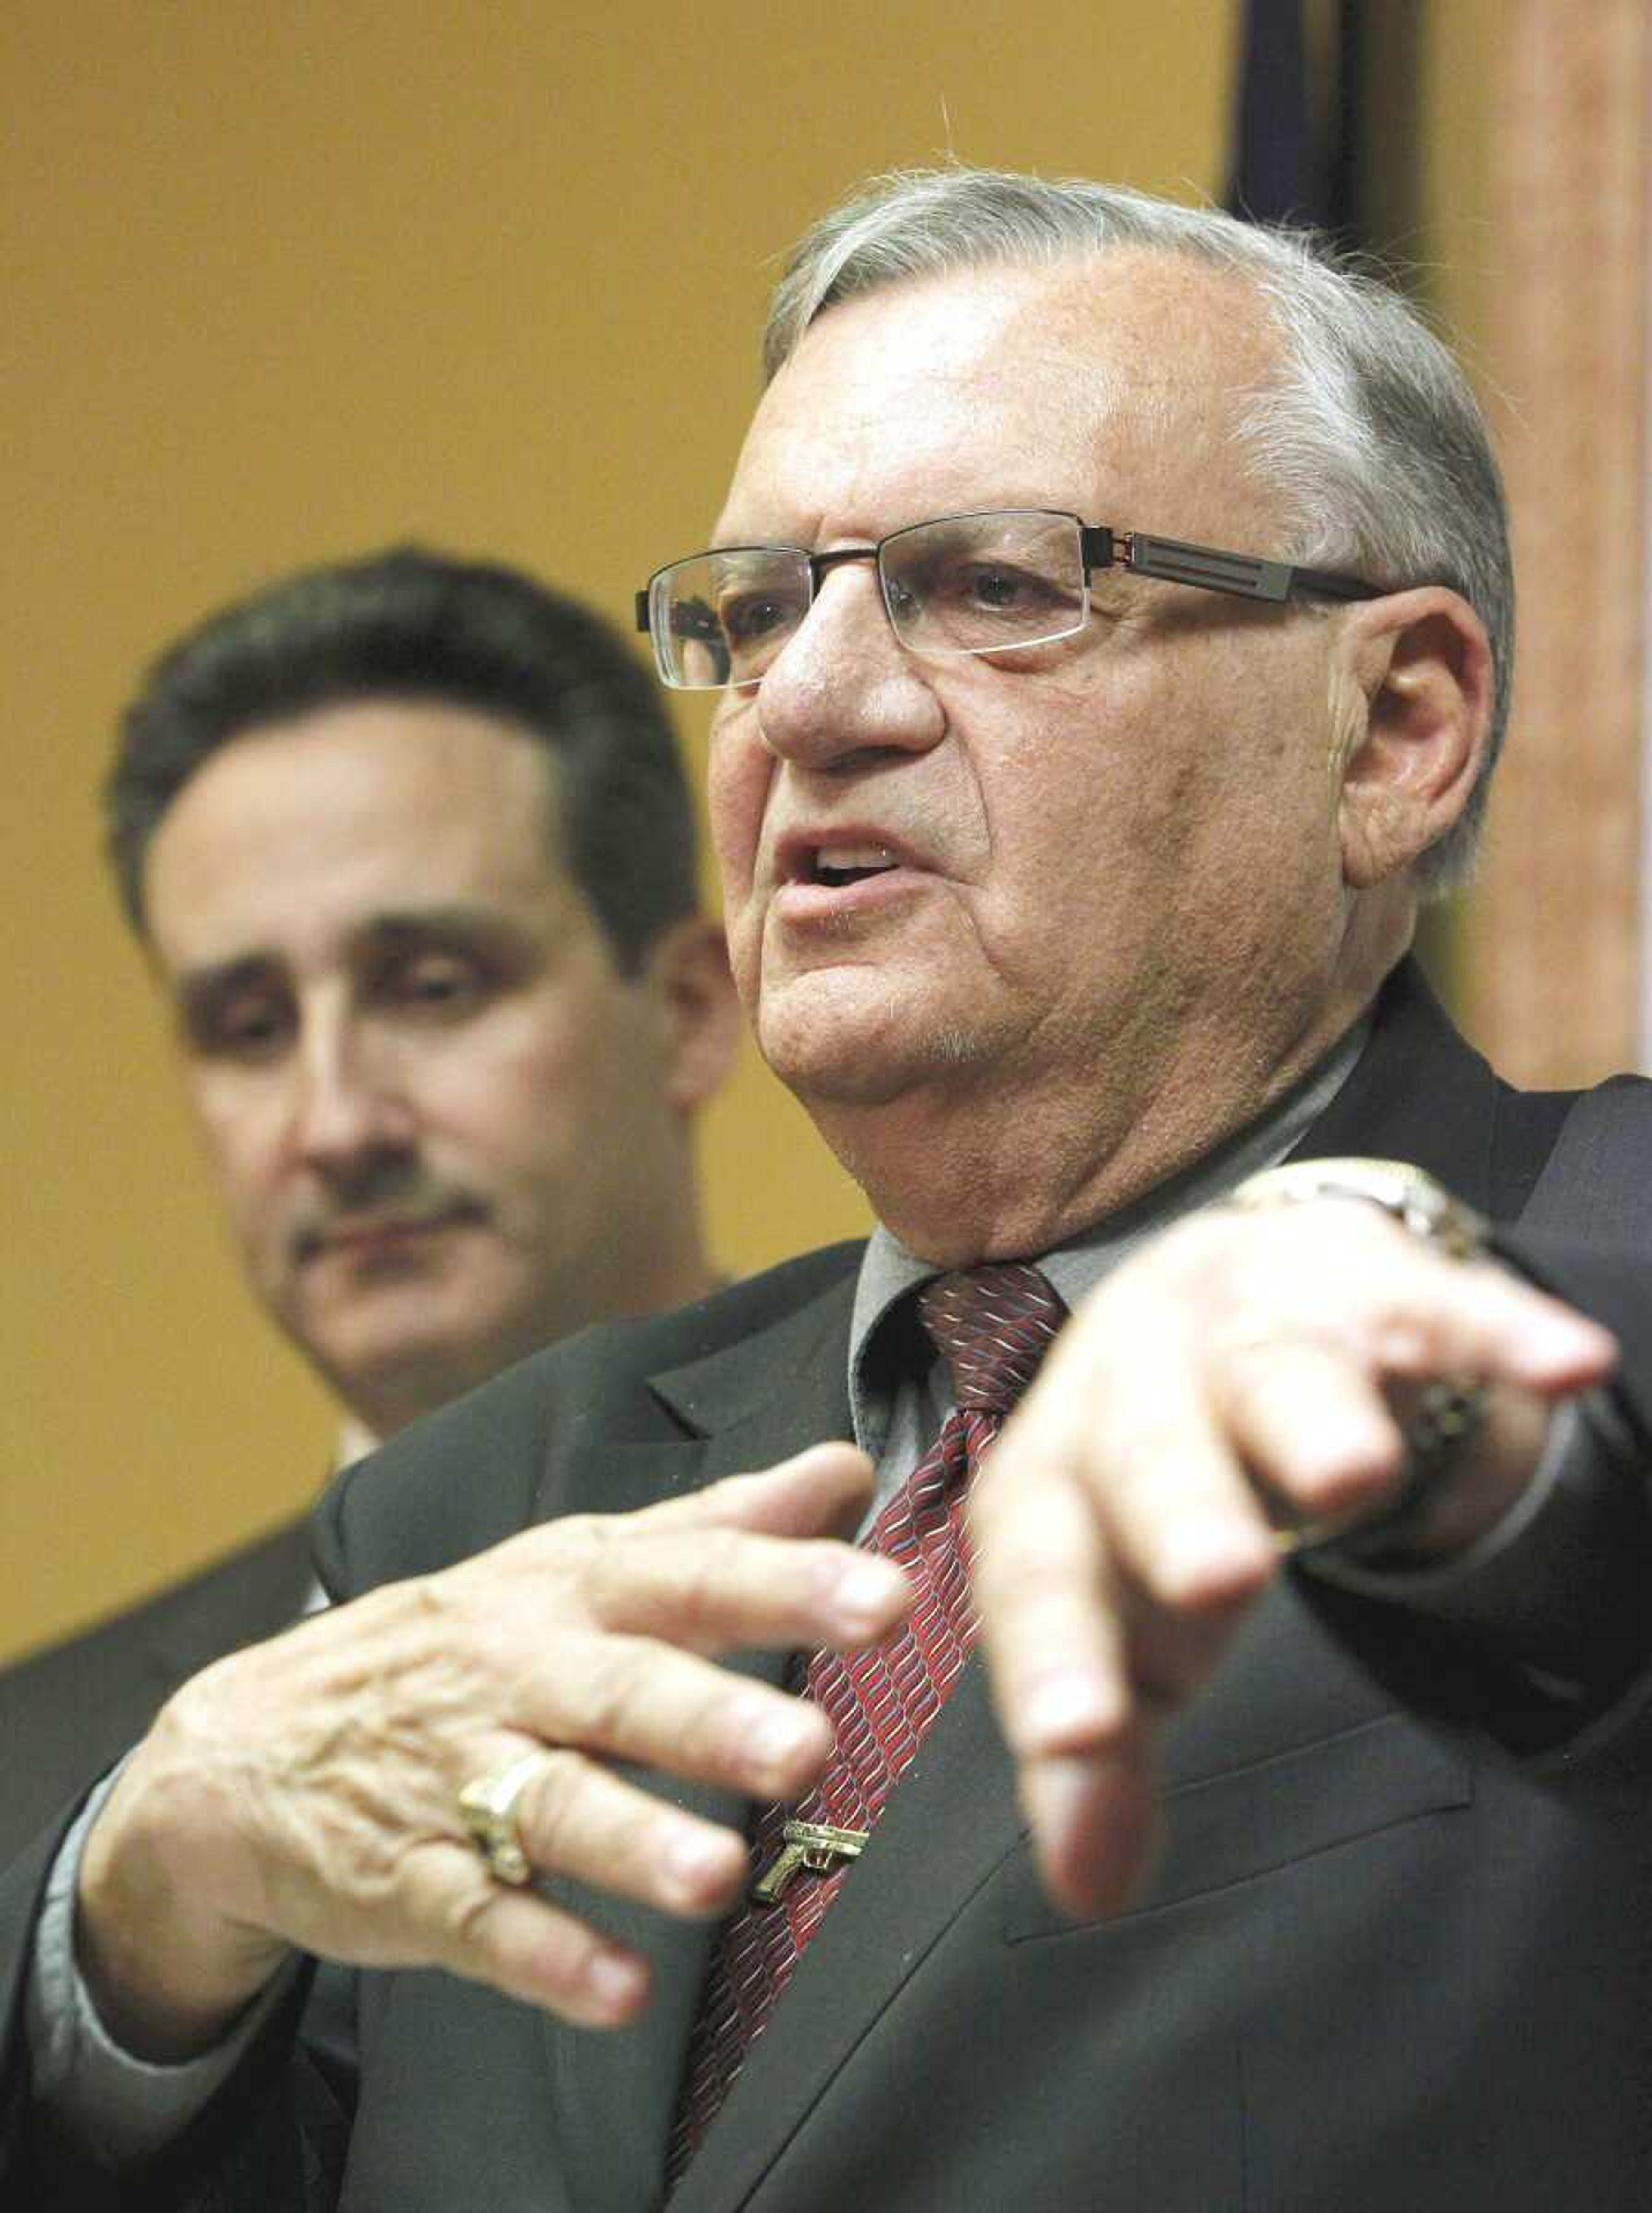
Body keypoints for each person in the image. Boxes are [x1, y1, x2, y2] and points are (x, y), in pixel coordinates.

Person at [5, 169, 1652, 2212]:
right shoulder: (493, 1497)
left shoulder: (1602, 1278)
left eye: (996, 586)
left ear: (1396, 726)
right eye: (762, 608)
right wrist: (143, 1903)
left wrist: (1403, 1346)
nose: (803, 702)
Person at [0, 547, 740, 1865]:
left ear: (686, 1011)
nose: (336, 1124)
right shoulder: (39, 1788)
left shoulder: (961, 1603)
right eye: (248, 1026)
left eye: (434, 986)